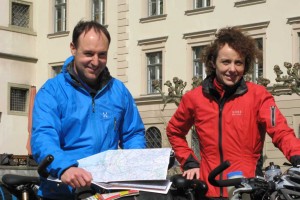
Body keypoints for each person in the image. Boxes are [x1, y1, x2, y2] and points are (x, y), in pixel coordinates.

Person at [166, 27, 300, 199]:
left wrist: (297, 156)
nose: (232, 69)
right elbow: (174, 131)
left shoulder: (259, 95)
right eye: (226, 62)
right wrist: (190, 162)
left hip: (248, 188)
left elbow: (281, 131)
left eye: (238, 63)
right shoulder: (194, 98)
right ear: (213, 63)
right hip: (208, 189)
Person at [31, 20, 146, 199]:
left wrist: (134, 162)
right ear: (73, 48)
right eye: (88, 53)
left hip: (107, 192)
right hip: (62, 191)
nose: (95, 61)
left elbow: (133, 134)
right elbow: (43, 137)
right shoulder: (52, 91)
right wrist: (65, 168)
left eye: (102, 54)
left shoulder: (118, 90)